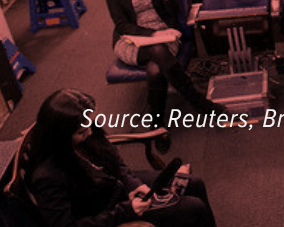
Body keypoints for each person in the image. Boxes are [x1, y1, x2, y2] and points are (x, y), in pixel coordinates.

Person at [23, 88, 218, 227]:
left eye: (91, 124)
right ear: (61, 134)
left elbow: (114, 161)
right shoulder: (47, 176)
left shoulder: (83, 133)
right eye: (82, 131)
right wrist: (126, 211)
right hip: (106, 213)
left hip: (114, 188)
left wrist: (133, 184)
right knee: (195, 208)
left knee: (195, 183)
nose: (90, 133)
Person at [103, 0, 217, 121]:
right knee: (157, 51)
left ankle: (156, 124)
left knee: (155, 69)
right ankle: (200, 102)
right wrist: (153, 34)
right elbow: (122, 25)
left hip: (165, 32)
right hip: (131, 40)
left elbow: (173, 12)